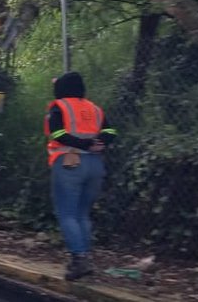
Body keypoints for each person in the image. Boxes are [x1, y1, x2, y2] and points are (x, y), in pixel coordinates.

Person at [46, 72, 117, 280]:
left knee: (67, 213)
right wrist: (99, 143)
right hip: (95, 164)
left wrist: (82, 144)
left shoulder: (59, 106)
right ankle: (85, 257)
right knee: (82, 213)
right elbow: (111, 131)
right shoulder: (94, 108)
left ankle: (79, 259)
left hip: (70, 161)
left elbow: (57, 133)